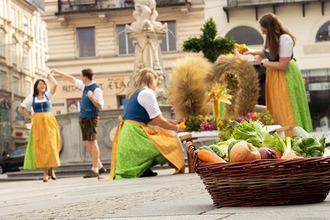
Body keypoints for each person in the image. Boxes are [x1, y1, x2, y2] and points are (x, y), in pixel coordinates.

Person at [109, 67, 186, 180]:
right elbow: (158, 121)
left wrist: (173, 122)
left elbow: (152, 119)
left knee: (162, 143)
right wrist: (178, 128)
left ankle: (144, 168)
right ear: (152, 80)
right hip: (135, 134)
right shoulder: (147, 93)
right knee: (170, 142)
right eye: (156, 81)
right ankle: (143, 168)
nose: (156, 84)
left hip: (128, 133)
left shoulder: (133, 93)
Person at [243, 13, 312, 135]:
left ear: (271, 29)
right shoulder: (270, 38)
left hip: (285, 77)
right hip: (274, 76)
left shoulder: (285, 39)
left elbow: (282, 65)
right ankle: (280, 138)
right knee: (276, 109)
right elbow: (269, 53)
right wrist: (251, 52)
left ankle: (293, 137)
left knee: (286, 107)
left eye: (265, 31)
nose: (264, 34)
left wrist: (262, 63)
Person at [51, 68, 106, 178]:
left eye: (81, 76)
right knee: (86, 142)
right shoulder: (84, 86)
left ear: (85, 77)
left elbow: (100, 106)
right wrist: (57, 72)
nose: (80, 78)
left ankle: (95, 168)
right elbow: (71, 79)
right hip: (83, 117)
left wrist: (91, 97)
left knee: (93, 141)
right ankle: (99, 165)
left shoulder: (96, 90)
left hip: (91, 117)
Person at [18, 72, 61, 182]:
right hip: (38, 124)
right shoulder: (31, 98)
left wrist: (49, 75)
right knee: (41, 147)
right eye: (40, 84)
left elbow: (55, 84)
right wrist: (30, 116)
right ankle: (45, 172)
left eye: (44, 84)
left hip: (49, 122)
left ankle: (52, 169)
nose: (43, 86)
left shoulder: (48, 95)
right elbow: (20, 108)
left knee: (51, 145)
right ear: (36, 86)